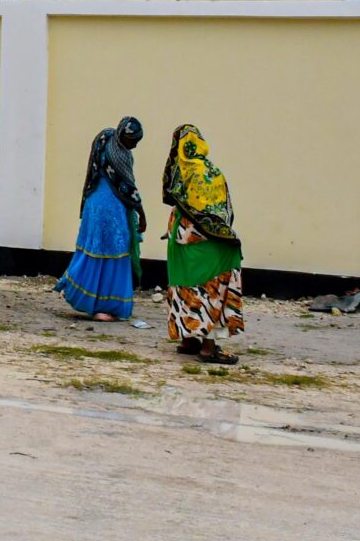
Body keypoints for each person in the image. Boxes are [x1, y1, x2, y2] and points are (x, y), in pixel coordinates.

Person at [163, 123, 244, 364]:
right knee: (211, 287)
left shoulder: (179, 171)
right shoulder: (210, 171)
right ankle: (208, 348)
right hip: (206, 242)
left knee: (183, 288)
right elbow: (222, 213)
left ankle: (188, 339)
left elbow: (177, 202)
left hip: (180, 237)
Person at [54, 116, 147, 321]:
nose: (135, 145)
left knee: (93, 251)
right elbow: (127, 187)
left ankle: (81, 293)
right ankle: (104, 307)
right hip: (110, 209)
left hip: (93, 203)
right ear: (124, 135)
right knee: (113, 253)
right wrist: (142, 213)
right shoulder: (121, 156)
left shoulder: (104, 139)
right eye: (134, 141)